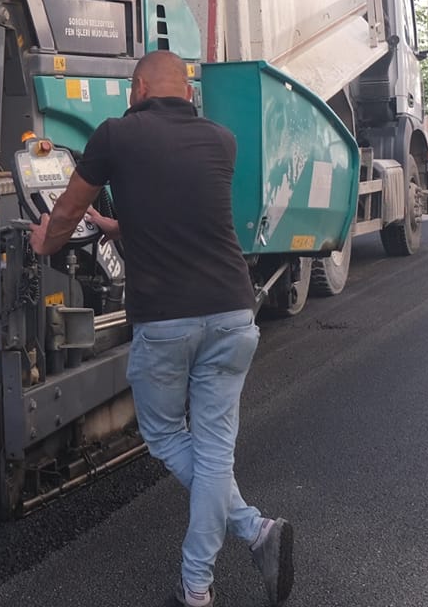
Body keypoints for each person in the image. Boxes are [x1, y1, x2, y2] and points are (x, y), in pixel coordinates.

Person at [32, 50, 295, 607]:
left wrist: (44, 241)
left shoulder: (114, 135)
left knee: (167, 436)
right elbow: (182, 212)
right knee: (215, 451)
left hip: (168, 320)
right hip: (232, 313)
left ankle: (243, 539)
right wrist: (117, 225)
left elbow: (66, 210)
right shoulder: (221, 141)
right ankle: (209, 575)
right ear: (187, 90)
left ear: (142, 87)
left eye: (132, 90)